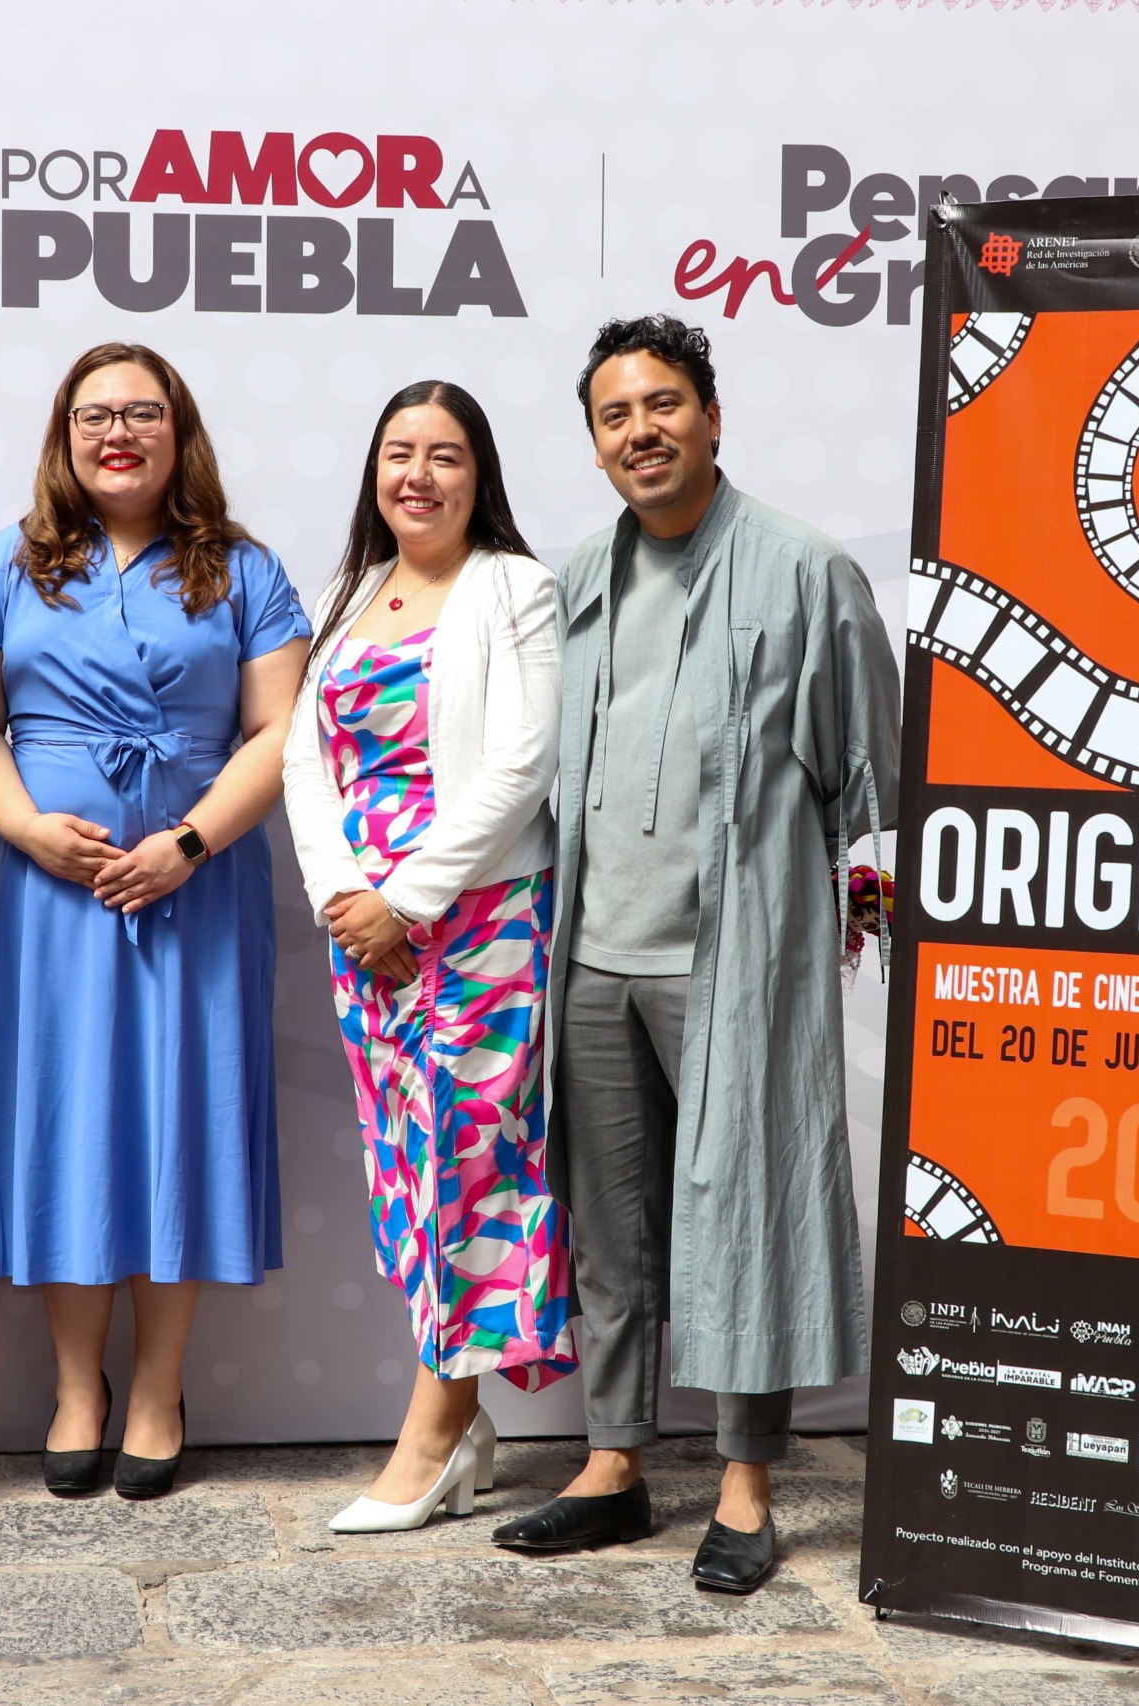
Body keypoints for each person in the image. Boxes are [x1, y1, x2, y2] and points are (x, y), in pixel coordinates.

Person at [488, 317, 901, 1593]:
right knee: (611, 1229)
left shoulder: (804, 570)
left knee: (746, 1212)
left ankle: (743, 1482)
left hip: (738, 960)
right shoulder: (578, 577)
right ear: (594, 444)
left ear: (712, 417)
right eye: (614, 415)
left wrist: (857, 921)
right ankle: (611, 1463)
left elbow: (873, 786)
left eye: (662, 404)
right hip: (592, 958)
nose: (641, 431)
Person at [0, 343, 310, 1500]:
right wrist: (23, 827)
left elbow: (279, 732)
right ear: (63, 435)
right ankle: (76, 1387)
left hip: (197, 892)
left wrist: (186, 844)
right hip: (48, 897)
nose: (118, 432)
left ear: (178, 431)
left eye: (142, 413)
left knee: (177, 1118)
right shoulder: (4, 563)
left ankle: (157, 1386)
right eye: (94, 415)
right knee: (67, 1121)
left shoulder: (246, 569)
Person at [281, 381, 573, 1532]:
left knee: (472, 1169)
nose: (418, 474)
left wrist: (405, 899)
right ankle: (463, 1417)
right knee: (405, 1169)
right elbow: (303, 760)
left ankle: (435, 1429)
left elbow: (523, 761)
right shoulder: (346, 593)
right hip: (365, 935)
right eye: (398, 451)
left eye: (444, 454)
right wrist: (344, 898)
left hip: (480, 924)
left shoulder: (515, 587)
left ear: (477, 473)